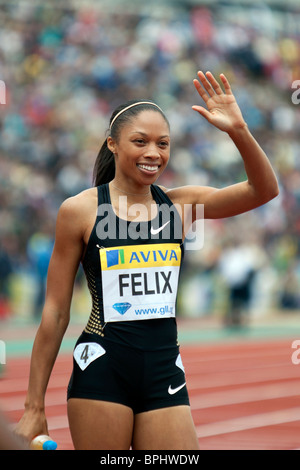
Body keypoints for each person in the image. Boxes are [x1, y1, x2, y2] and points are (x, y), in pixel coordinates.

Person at [15, 71, 279, 450]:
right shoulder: (79, 211)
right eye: (140, 141)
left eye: (163, 143)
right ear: (113, 144)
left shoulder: (180, 205)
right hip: (102, 368)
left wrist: (237, 129)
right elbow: (56, 312)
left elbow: (263, 190)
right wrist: (33, 406)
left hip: (163, 370)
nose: (153, 153)